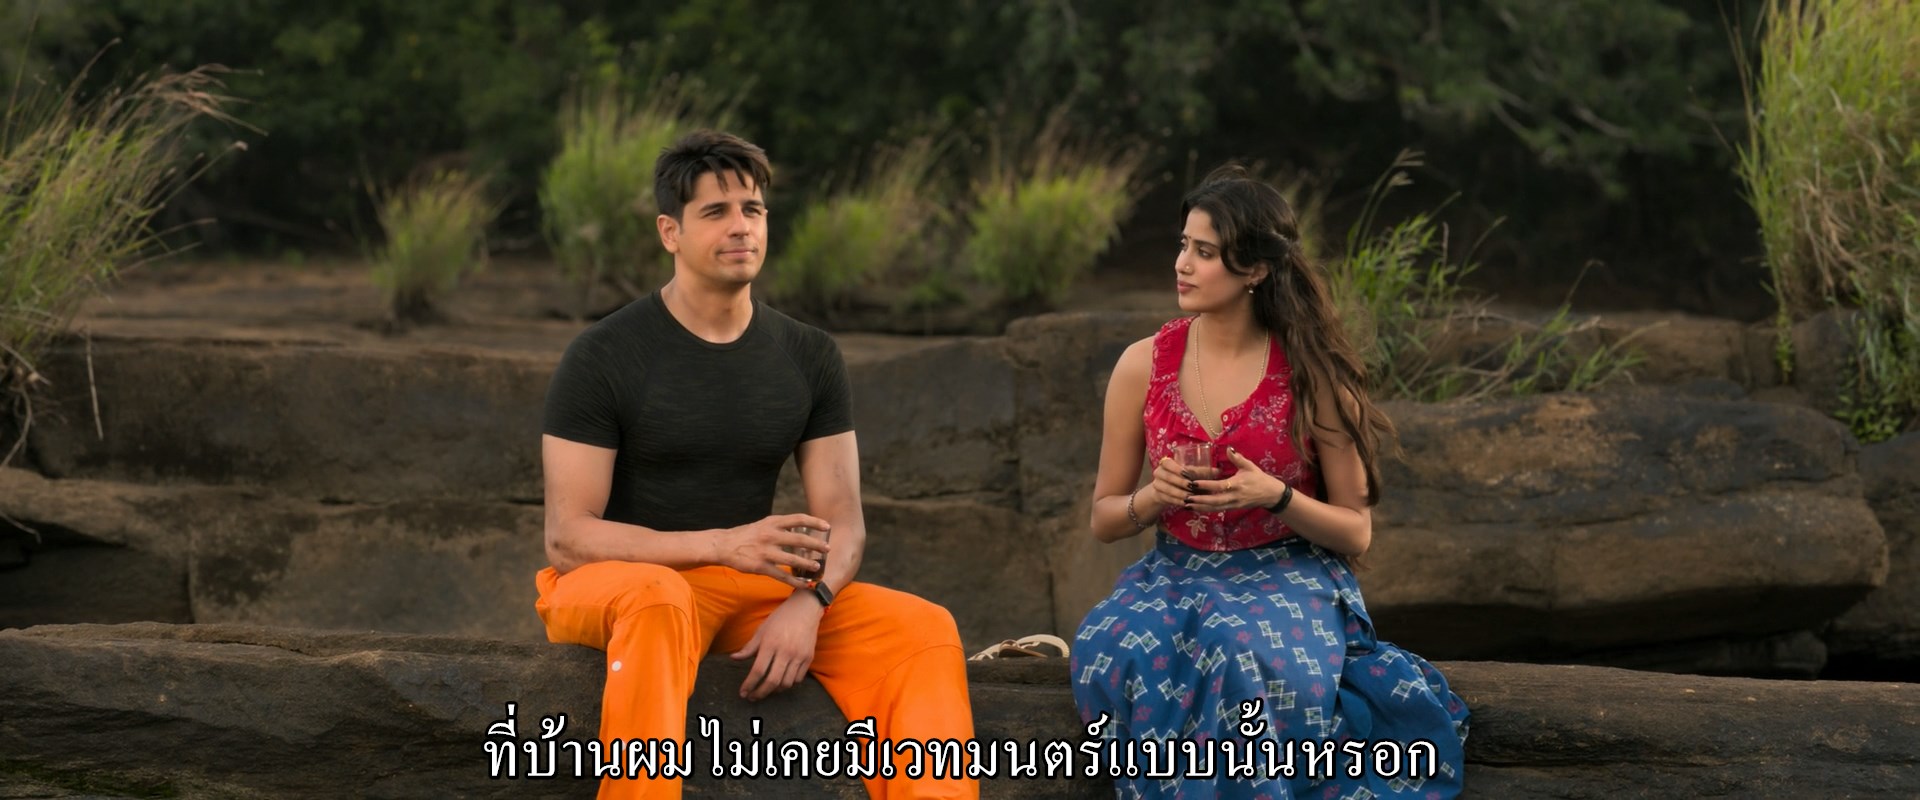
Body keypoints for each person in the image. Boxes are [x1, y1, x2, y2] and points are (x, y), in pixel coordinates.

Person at [534, 129, 979, 800]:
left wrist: (810, 603)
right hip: (618, 587)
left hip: (745, 591)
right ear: (670, 232)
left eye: (753, 209)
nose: (741, 226)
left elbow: (845, 522)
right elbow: (569, 538)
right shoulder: (604, 355)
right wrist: (722, 544)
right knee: (659, 598)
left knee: (924, 630)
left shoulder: (808, 355)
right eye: (716, 212)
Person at [1070, 164, 1470, 798]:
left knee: (1233, 652)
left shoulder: (1313, 375)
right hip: (1176, 573)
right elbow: (1104, 518)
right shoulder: (1141, 365)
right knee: (1105, 642)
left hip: (1286, 572)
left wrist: (1277, 497)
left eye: (1205, 253)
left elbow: (1357, 532)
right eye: (1183, 245)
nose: (1182, 264)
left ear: (1255, 269)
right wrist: (1154, 497)